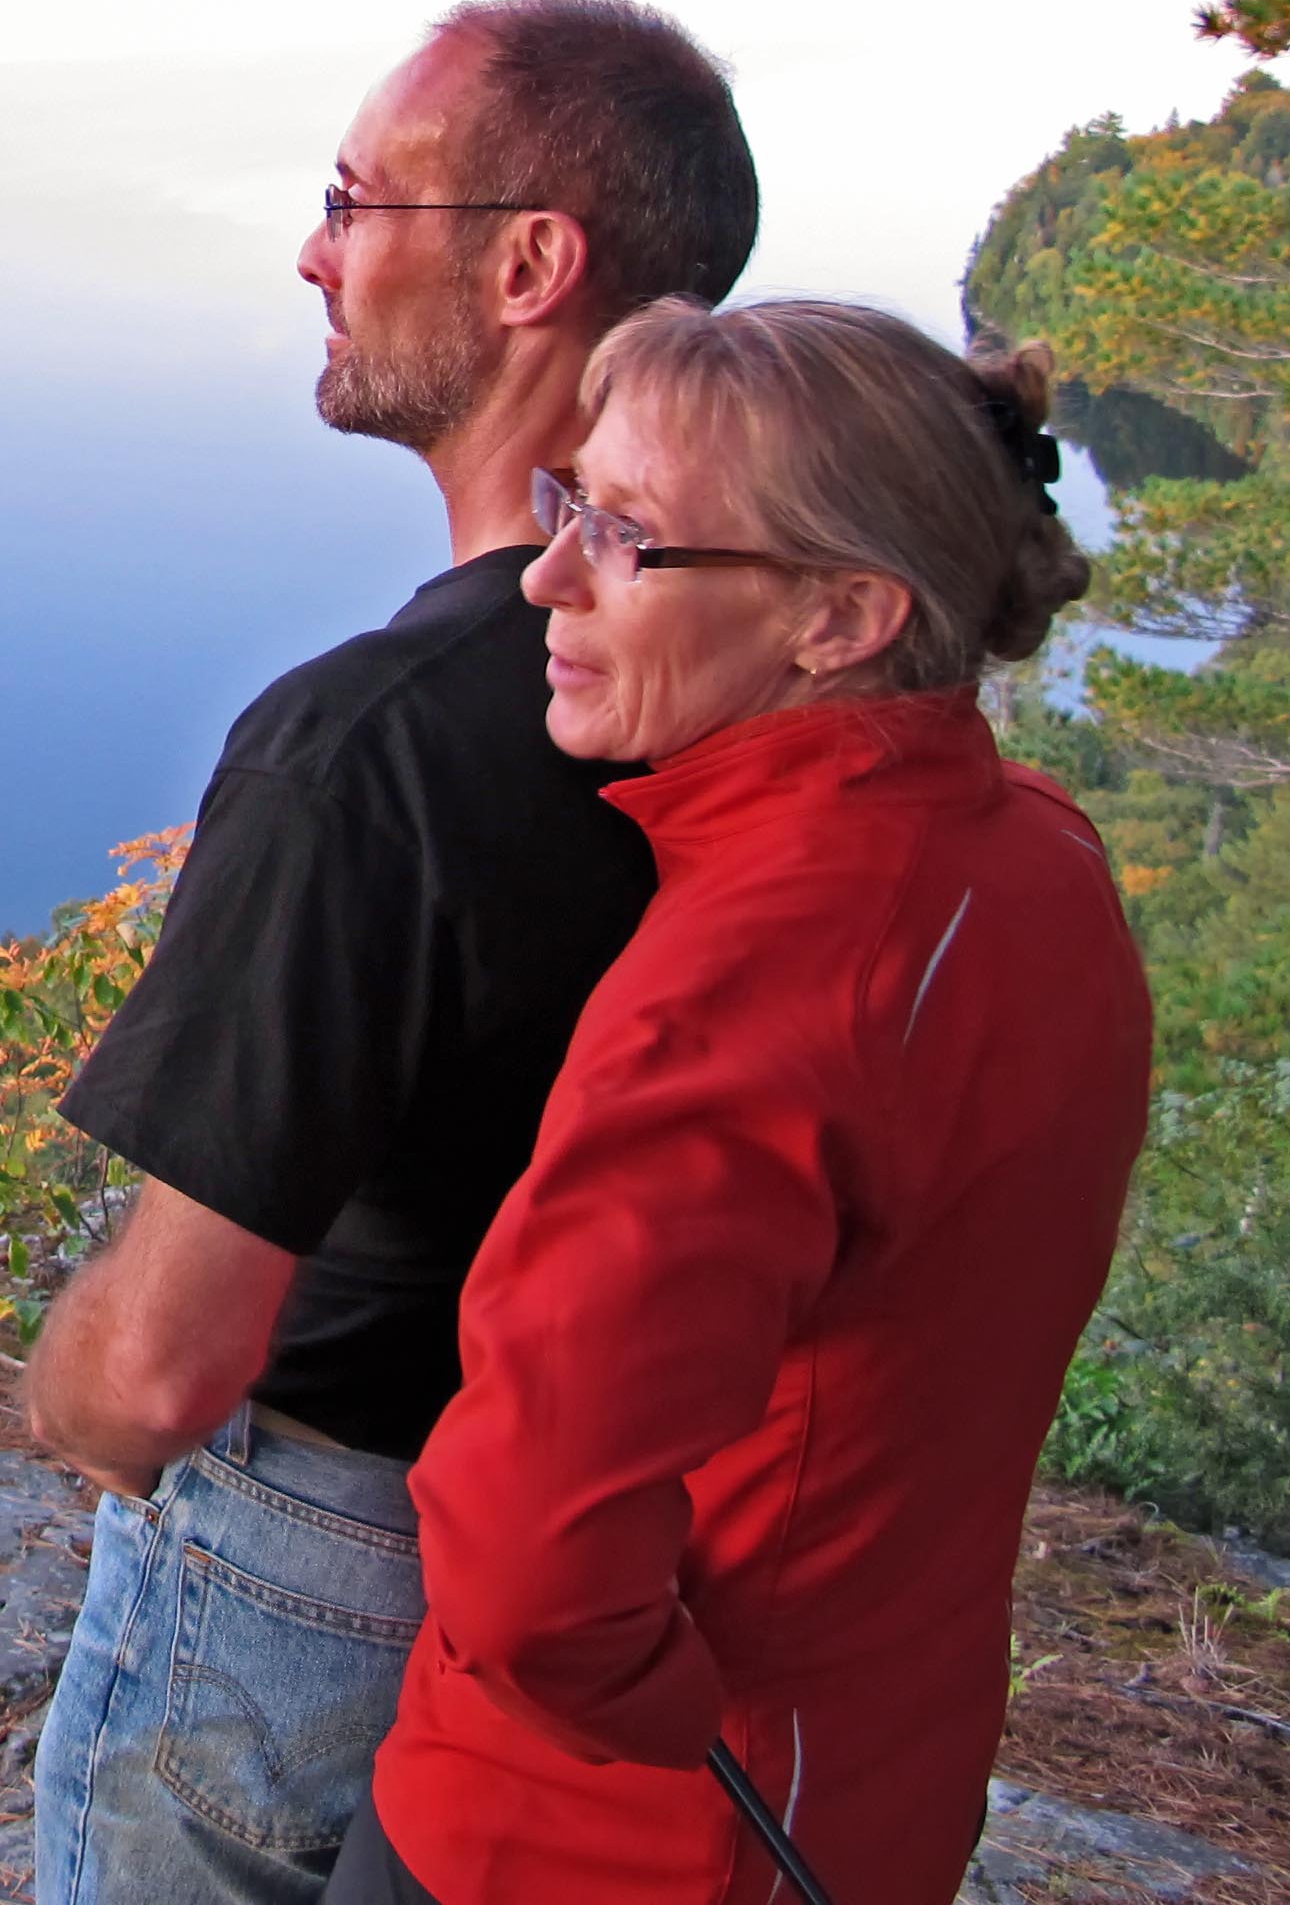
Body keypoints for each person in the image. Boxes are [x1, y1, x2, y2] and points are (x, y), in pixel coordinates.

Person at [26, 0, 758, 1905]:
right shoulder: (793, 673)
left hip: (331, 1557)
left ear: (529, 266)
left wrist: (69, 1382)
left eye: (356, 200)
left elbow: (159, 1376)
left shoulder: (377, 743)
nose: (311, 248)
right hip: (640, 1535)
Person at [329, 301, 1147, 1905]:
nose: (548, 576)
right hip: (880, 1781)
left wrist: (675, 1708)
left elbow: (526, 1561)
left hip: (596, 1845)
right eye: (568, 500)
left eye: (627, 537)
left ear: (841, 616)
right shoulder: (1036, 859)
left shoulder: (747, 990)